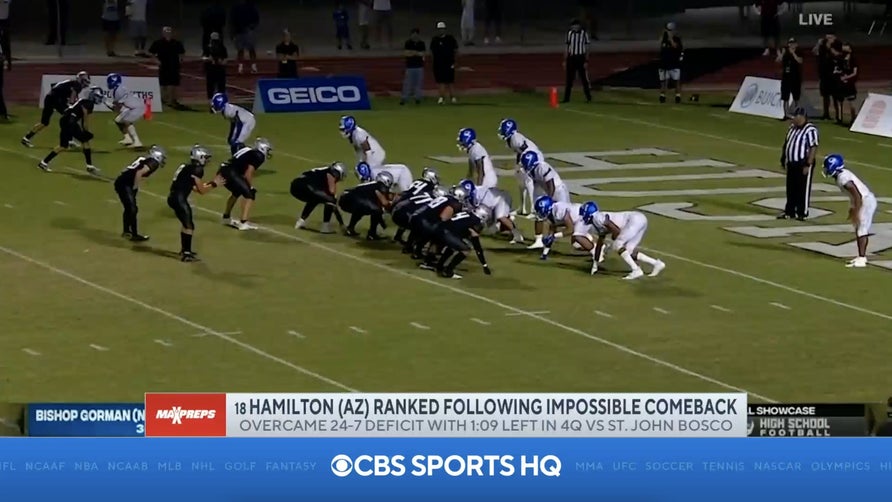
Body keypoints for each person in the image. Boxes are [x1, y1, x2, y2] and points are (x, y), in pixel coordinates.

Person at [167, 145, 224, 262]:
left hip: (173, 197)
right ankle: (186, 254)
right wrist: (214, 184)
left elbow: (194, 187)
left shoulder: (187, 167)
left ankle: (185, 250)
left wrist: (211, 183)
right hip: (179, 199)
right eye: (206, 157)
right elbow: (202, 191)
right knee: (189, 225)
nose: (207, 160)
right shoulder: (197, 169)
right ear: (200, 157)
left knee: (186, 224)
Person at [581, 202, 666, 280]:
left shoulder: (597, 218)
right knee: (628, 250)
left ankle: (636, 270)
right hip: (640, 219)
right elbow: (600, 243)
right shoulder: (597, 220)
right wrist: (595, 264)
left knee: (617, 245)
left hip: (634, 220)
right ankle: (657, 263)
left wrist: (614, 240)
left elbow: (615, 229)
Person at [822, 154, 876, 268]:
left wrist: (856, 211)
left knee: (862, 229)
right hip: (862, 200)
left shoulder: (843, 178)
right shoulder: (841, 175)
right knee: (858, 228)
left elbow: (858, 196)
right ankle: (860, 256)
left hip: (865, 201)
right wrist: (852, 208)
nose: (825, 169)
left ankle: (862, 258)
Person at [37, 87, 103, 174]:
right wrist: (86, 131)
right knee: (85, 141)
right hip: (70, 122)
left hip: (64, 120)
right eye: (98, 97)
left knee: (63, 146)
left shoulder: (82, 100)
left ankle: (44, 162)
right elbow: (85, 120)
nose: (99, 99)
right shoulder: (89, 104)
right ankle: (89, 166)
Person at [22, 72, 90, 147]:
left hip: (50, 98)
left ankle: (26, 138)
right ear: (81, 80)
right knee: (69, 118)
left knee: (44, 122)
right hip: (55, 99)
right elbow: (72, 100)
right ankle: (69, 140)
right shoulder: (77, 85)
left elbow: (62, 93)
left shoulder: (72, 83)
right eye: (85, 81)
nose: (86, 83)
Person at [114, 146, 166, 242]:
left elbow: (132, 170)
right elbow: (139, 173)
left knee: (129, 208)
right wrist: (135, 187)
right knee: (132, 209)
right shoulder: (153, 162)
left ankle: (127, 231)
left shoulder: (146, 159)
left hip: (122, 181)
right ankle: (134, 234)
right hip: (125, 184)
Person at [426, 205, 493, 279]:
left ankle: (439, 265)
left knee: (454, 245)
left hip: (439, 229)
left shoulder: (467, 214)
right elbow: (477, 246)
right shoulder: (476, 222)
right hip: (447, 234)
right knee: (466, 250)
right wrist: (484, 264)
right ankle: (448, 271)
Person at [218, 137, 272, 230]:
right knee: (250, 194)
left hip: (224, 170)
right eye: (267, 149)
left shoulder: (248, 150)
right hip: (231, 173)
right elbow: (249, 172)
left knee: (237, 192)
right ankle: (243, 222)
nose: (268, 152)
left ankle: (226, 217)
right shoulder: (259, 155)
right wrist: (250, 187)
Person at [519, 151, 569, 249]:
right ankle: (539, 240)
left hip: (558, 190)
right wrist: (537, 200)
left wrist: (549, 199)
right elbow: (537, 184)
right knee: (539, 212)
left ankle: (585, 235)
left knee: (565, 216)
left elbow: (551, 184)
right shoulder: (531, 170)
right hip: (546, 189)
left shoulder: (542, 167)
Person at [778, 107, 819, 221]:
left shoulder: (810, 130)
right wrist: (783, 158)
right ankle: (790, 211)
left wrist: (808, 164)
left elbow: (813, 147)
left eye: (795, 117)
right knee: (791, 188)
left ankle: (802, 212)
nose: (793, 119)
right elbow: (787, 143)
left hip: (803, 163)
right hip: (792, 163)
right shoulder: (792, 128)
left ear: (802, 117)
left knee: (803, 188)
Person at [498, 118, 543, 219]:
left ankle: (533, 209)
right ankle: (522, 208)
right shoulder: (511, 138)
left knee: (528, 182)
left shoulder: (516, 138)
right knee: (521, 182)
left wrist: (523, 164)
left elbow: (525, 151)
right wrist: (518, 164)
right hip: (526, 157)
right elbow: (519, 152)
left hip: (533, 158)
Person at [291, 162, 348, 233]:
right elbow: (332, 200)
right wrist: (341, 223)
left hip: (295, 185)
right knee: (330, 200)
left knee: (315, 198)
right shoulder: (330, 175)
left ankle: (300, 222)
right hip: (307, 186)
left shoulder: (323, 171)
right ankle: (325, 227)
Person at [338, 171, 395, 239]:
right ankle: (372, 234)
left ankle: (350, 229)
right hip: (352, 200)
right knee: (376, 210)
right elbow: (384, 202)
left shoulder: (371, 184)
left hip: (346, 198)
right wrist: (392, 205)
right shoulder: (379, 186)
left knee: (361, 209)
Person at [149, 27, 185, 109]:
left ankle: (172, 100)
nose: (168, 33)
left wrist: (181, 60)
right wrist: (156, 61)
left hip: (174, 65)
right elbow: (152, 53)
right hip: (164, 65)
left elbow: (182, 53)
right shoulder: (158, 43)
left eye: (169, 32)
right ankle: (163, 99)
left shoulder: (177, 43)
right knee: (163, 84)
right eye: (166, 32)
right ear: (163, 33)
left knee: (174, 84)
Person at [107, 72, 146, 149]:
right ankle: (127, 138)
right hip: (132, 107)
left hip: (136, 108)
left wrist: (105, 102)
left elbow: (116, 108)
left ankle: (137, 142)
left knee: (127, 121)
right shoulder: (120, 88)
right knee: (118, 120)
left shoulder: (118, 91)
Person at [563, 18, 591, 103]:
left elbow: (587, 48)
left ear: (579, 26)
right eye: (573, 26)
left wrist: (586, 60)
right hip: (571, 58)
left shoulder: (584, 34)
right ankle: (566, 98)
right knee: (569, 79)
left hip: (580, 57)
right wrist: (565, 60)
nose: (574, 27)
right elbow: (567, 47)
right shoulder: (569, 33)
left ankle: (588, 97)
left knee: (583, 78)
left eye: (576, 25)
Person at [430, 22, 459, 104]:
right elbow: (432, 52)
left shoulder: (450, 39)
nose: (441, 30)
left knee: (450, 81)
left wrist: (455, 61)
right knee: (440, 82)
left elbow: (455, 50)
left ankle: (452, 97)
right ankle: (441, 97)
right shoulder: (435, 40)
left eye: (442, 29)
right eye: (439, 29)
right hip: (438, 64)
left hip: (449, 63)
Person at [230, 0, 259, 74]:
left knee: (250, 49)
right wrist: (233, 32)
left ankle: (253, 66)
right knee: (241, 49)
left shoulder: (250, 6)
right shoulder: (236, 7)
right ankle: (241, 67)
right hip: (239, 31)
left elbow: (256, 18)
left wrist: (252, 26)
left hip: (247, 30)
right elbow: (232, 20)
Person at [813, 33, 837, 120]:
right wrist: (818, 44)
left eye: (830, 37)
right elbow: (814, 52)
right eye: (827, 38)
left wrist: (830, 48)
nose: (829, 39)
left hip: (834, 75)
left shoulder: (836, 46)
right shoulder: (822, 47)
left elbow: (838, 54)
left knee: (835, 96)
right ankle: (826, 114)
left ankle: (838, 115)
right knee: (825, 96)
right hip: (823, 75)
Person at [658, 22, 683, 104]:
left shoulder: (677, 39)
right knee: (663, 81)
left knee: (676, 81)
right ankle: (662, 96)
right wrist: (664, 34)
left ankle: (678, 96)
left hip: (674, 64)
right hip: (664, 64)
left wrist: (670, 37)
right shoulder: (664, 40)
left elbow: (675, 46)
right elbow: (660, 43)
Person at [778, 37, 803, 118]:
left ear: (796, 44)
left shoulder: (799, 52)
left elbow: (800, 61)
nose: (792, 45)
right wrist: (781, 54)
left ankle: (797, 114)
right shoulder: (785, 52)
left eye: (793, 44)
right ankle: (786, 114)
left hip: (796, 77)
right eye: (790, 44)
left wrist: (793, 54)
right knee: (785, 97)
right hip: (786, 77)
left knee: (796, 97)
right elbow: (778, 60)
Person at [835, 42, 858, 126]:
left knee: (851, 102)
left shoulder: (853, 59)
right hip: (841, 84)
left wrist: (847, 77)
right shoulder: (840, 58)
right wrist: (840, 75)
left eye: (846, 47)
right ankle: (840, 119)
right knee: (839, 101)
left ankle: (853, 119)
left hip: (850, 84)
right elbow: (837, 69)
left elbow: (855, 72)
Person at [400, 28, 425, 105]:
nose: (414, 36)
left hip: (419, 66)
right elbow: (406, 53)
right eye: (413, 34)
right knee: (407, 83)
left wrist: (413, 53)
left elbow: (422, 54)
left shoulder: (421, 43)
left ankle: (417, 98)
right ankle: (404, 98)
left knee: (418, 83)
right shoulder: (408, 43)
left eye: (416, 34)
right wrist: (416, 53)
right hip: (410, 67)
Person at [202, 32, 228, 100]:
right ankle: (213, 100)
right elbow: (203, 58)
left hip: (219, 69)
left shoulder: (222, 47)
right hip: (212, 69)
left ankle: (218, 100)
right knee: (212, 87)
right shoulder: (208, 47)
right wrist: (209, 59)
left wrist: (221, 62)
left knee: (219, 86)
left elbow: (225, 59)